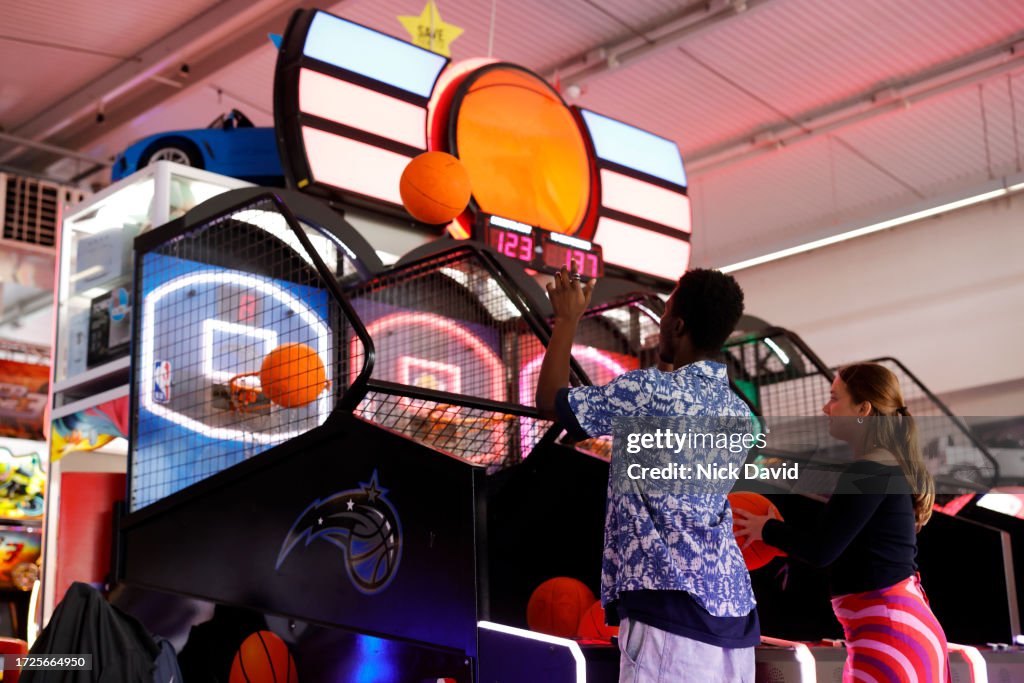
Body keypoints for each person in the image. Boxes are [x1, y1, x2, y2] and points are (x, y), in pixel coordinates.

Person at [536, 265, 759, 683]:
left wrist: (567, 319)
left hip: (669, 616)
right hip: (735, 619)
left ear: (677, 324)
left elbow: (551, 401)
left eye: (664, 314)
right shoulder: (741, 417)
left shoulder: (649, 392)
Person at [734, 362, 951, 683]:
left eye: (835, 398)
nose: (826, 408)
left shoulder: (869, 470)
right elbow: (839, 545)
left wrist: (765, 529)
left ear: (863, 408)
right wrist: (781, 542)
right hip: (895, 629)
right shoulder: (878, 467)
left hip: (892, 633)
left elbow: (823, 549)